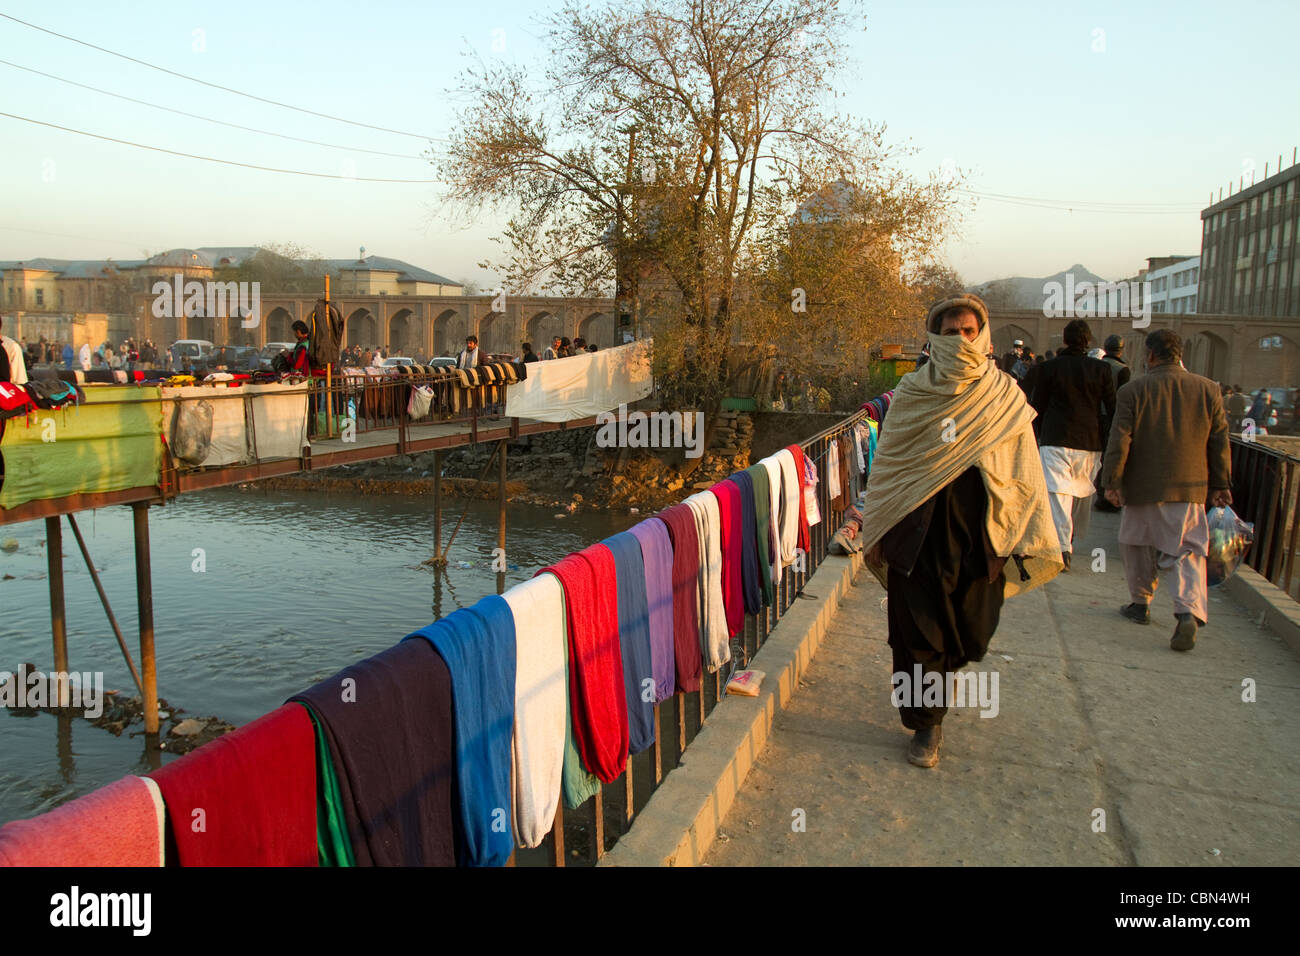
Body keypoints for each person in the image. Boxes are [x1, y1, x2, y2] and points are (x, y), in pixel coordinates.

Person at [861, 294, 1062, 769]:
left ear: (983, 336)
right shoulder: (911, 394)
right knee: (916, 635)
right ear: (934, 337)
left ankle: (939, 693)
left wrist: (1013, 536)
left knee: (968, 632)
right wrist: (883, 524)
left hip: (980, 537)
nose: (959, 340)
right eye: (950, 332)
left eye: (968, 331)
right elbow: (889, 465)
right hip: (917, 533)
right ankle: (926, 725)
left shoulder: (1005, 397)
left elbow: (1023, 470)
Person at [1101, 329, 1231, 652]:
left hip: (1141, 486)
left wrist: (1112, 482)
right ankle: (1187, 611)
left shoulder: (1133, 390)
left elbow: (1120, 439)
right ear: (1179, 354)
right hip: (1188, 488)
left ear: (1150, 356)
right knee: (1185, 551)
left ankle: (1140, 603)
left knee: (1137, 544)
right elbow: (1219, 444)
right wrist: (1220, 484)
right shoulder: (1209, 390)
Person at [1031, 319, 1116, 569]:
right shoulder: (1100, 370)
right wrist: (1108, 438)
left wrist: (1036, 436)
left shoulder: (1050, 368)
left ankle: (1063, 545)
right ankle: (1065, 545)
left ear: (1064, 340)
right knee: (1079, 493)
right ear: (1088, 341)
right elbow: (1111, 407)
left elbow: (1039, 405)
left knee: (1060, 495)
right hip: (1089, 441)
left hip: (1056, 438)